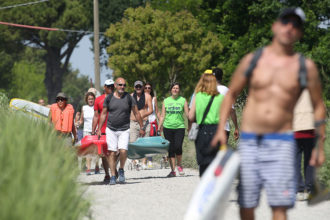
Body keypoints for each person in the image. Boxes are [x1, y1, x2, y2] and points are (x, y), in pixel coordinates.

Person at [211, 8, 326, 220]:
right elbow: (231, 95)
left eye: (296, 25)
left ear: (300, 33)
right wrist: (220, 129)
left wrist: (320, 144)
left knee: (279, 206)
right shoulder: (252, 61)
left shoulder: (304, 67)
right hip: (251, 141)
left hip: (282, 142)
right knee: (246, 205)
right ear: (275, 26)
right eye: (286, 22)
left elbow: (319, 105)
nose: (290, 28)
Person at [97, 77, 145, 185]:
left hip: (124, 129)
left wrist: (142, 127)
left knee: (123, 151)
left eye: (124, 85)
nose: (122, 87)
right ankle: (113, 175)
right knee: (112, 153)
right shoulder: (109, 98)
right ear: (115, 85)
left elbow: (136, 113)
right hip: (111, 129)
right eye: (120, 85)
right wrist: (99, 129)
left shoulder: (129, 97)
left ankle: (121, 169)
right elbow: (103, 114)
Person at [188, 70, 225, 176]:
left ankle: (205, 183)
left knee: (203, 161)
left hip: (202, 130)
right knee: (216, 160)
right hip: (217, 130)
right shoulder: (221, 97)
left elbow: (190, 116)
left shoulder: (197, 96)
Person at [158, 82, 189, 177]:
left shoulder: (183, 100)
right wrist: (159, 127)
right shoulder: (166, 101)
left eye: (177, 88)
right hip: (168, 128)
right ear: (171, 90)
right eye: (174, 88)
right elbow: (162, 115)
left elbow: (188, 114)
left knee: (178, 146)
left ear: (179, 90)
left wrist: (192, 124)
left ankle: (179, 166)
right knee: (171, 149)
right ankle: (173, 170)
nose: (175, 90)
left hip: (180, 127)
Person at [293, 89, 315, 200]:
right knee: (309, 162)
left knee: (295, 162)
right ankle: (309, 189)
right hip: (310, 131)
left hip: (295, 131)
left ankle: (299, 189)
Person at [91, 79, 114, 182]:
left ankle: (114, 170)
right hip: (103, 130)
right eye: (108, 86)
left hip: (115, 128)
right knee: (103, 154)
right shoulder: (98, 100)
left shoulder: (118, 98)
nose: (110, 88)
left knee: (115, 152)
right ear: (104, 87)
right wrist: (93, 130)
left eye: (112, 86)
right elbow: (96, 116)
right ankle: (107, 174)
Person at [130, 80, 153, 170]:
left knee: (145, 143)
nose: (138, 88)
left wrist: (143, 115)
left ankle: (144, 162)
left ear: (143, 87)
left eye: (140, 86)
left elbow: (151, 110)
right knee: (133, 142)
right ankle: (135, 161)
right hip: (133, 122)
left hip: (144, 122)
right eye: (137, 87)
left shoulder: (148, 96)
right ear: (134, 88)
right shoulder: (131, 96)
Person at [213, 68, 240, 141]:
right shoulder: (226, 90)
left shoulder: (207, 91)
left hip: (208, 129)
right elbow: (231, 110)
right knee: (221, 152)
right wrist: (236, 127)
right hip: (223, 128)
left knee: (211, 152)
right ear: (221, 77)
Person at [78, 92, 100, 175]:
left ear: (94, 99)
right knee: (87, 150)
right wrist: (78, 123)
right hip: (86, 131)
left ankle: (97, 166)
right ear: (87, 100)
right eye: (89, 99)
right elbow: (81, 120)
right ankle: (88, 168)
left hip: (96, 130)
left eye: (92, 99)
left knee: (96, 150)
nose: (91, 100)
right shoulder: (84, 108)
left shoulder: (97, 107)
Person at [144, 82, 161, 168]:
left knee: (151, 142)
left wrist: (161, 120)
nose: (147, 89)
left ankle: (150, 160)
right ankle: (143, 161)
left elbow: (157, 111)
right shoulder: (141, 98)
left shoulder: (154, 99)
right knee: (144, 141)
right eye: (146, 88)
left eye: (149, 88)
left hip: (153, 122)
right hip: (144, 122)